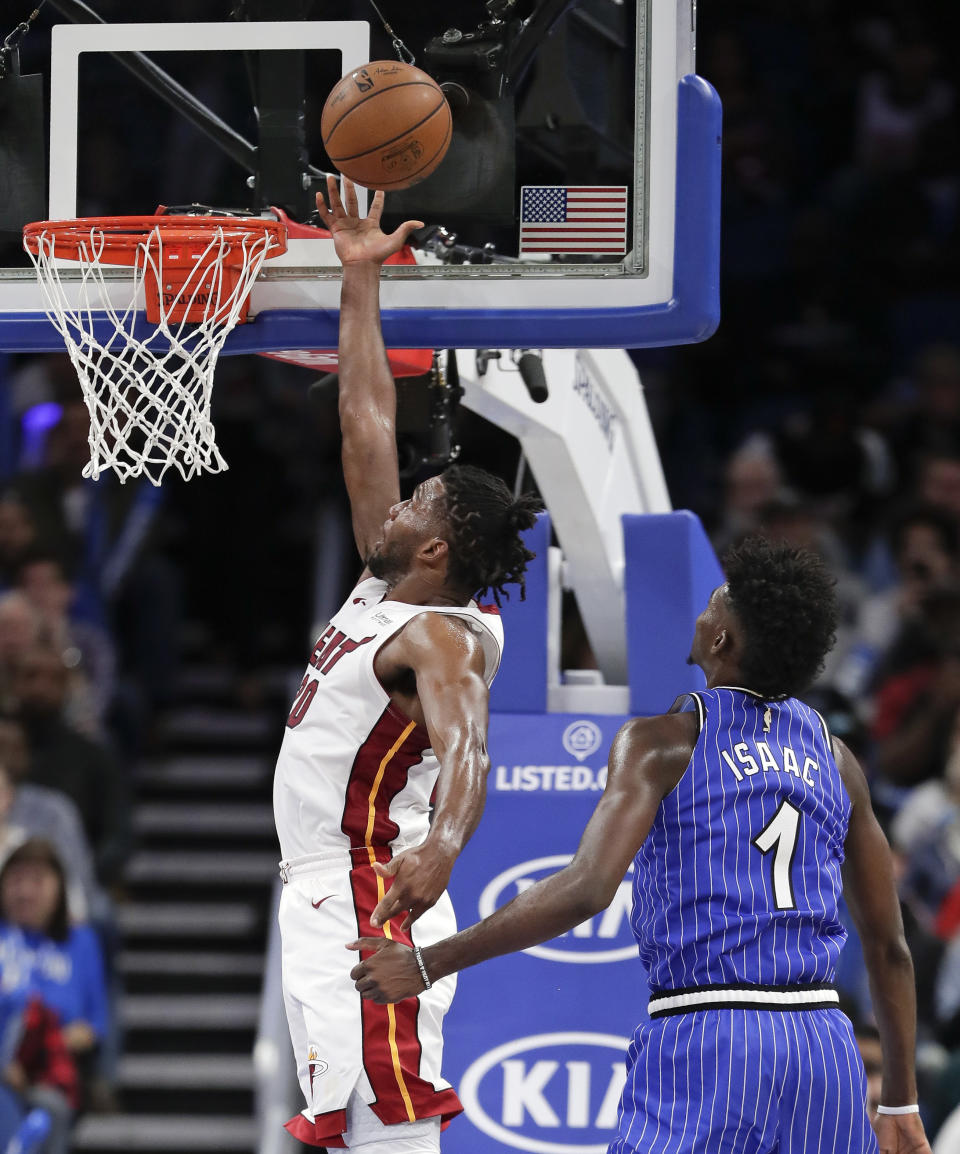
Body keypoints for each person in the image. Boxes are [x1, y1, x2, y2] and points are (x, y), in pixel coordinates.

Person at [351, 537, 932, 1154]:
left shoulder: (663, 742)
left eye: (714, 605)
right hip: (823, 1049)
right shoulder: (837, 759)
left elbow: (585, 889)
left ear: (720, 641)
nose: (703, 613)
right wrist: (899, 1100)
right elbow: (890, 948)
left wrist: (427, 963)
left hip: (708, 1038)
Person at [272, 175, 542, 1153]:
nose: (392, 506)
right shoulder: (387, 593)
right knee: (351, 1127)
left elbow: (469, 740)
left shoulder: (442, 635)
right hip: (324, 884)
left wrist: (445, 844)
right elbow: (366, 419)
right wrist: (359, 277)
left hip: (368, 883)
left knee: (385, 1128)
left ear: (437, 549)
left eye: (414, 505)